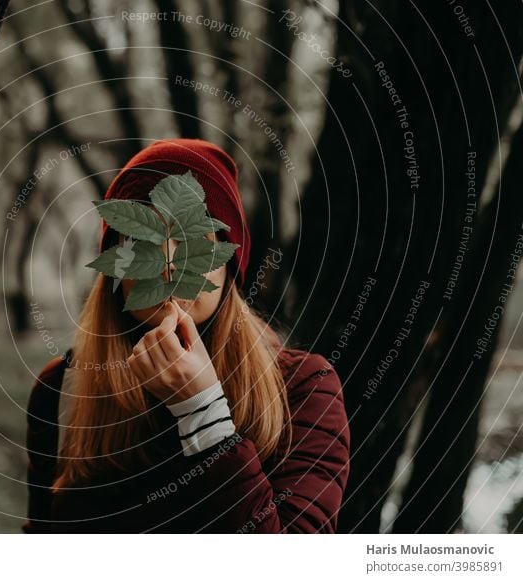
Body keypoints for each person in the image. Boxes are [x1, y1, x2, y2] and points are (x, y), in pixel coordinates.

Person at [23, 138, 350, 533]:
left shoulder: (302, 388)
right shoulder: (61, 390)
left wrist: (202, 410)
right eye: (142, 242)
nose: (168, 267)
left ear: (231, 264)